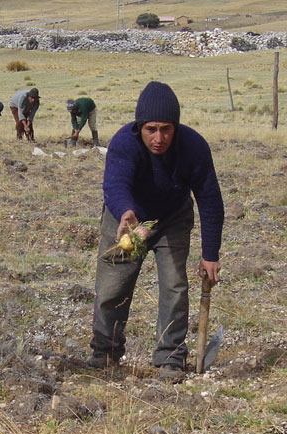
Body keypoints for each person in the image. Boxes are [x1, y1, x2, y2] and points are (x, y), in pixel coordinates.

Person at [88, 81, 224, 382]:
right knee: (113, 287)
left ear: (176, 127)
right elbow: (114, 184)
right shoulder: (124, 142)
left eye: (166, 129)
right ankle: (105, 352)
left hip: (172, 218)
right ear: (139, 127)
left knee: (175, 286)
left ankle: (171, 358)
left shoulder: (194, 147)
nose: (159, 138)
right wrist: (125, 212)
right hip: (127, 219)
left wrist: (210, 254)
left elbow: (210, 199)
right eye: (151, 129)